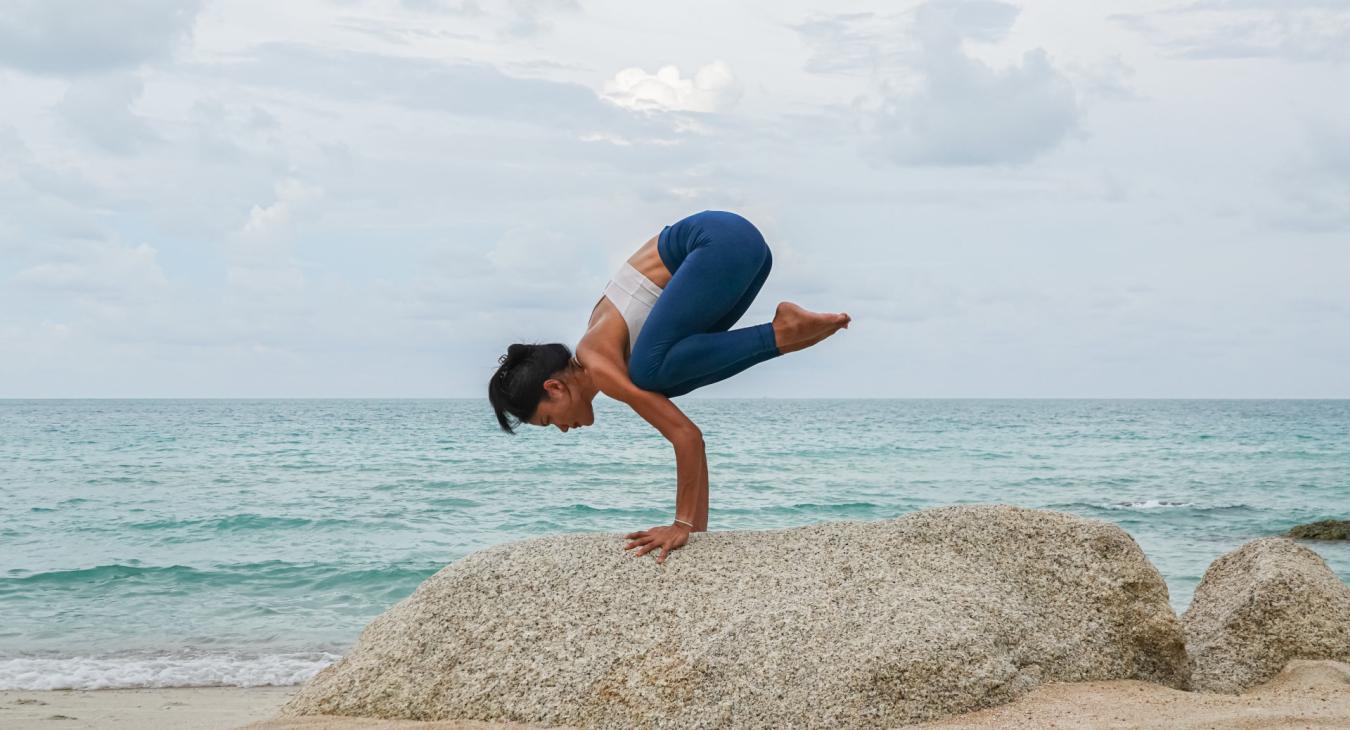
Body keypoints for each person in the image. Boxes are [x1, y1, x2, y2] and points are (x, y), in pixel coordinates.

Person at [487, 210, 850, 564]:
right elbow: (692, 438)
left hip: (718, 241)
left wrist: (679, 525)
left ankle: (782, 332)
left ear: (554, 388)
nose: (563, 429)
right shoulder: (606, 347)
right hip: (745, 249)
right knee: (665, 378)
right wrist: (696, 534)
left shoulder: (599, 362)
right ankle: (785, 334)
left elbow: (685, 435)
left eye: (550, 421)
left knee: (651, 375)